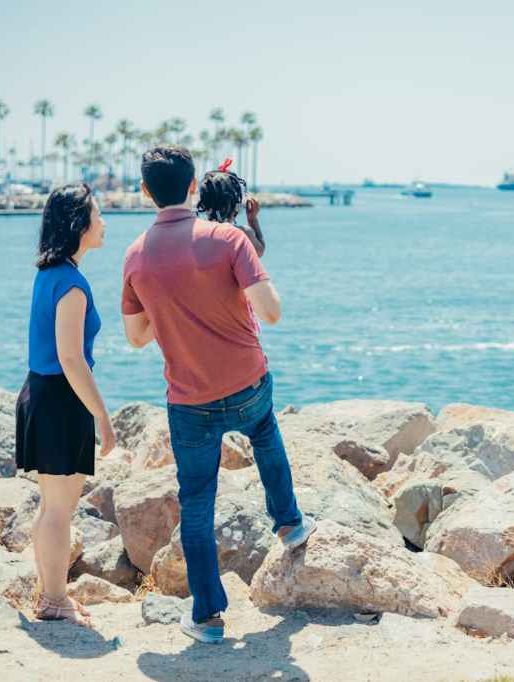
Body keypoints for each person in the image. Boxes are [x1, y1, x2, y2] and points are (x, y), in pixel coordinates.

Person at [121, 146, 315, 645]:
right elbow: (271, 312)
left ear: (145, 192)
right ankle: (289, 523)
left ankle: (207, 616)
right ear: (192, 187)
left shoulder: (136, 255)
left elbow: (137, 337)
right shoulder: (230, 239)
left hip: (189, 400)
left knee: (198, 503)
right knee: (266, 435)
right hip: (247, 383)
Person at [15, 183, 117, 627]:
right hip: (60, 399)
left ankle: (49, 593)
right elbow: (71, 358)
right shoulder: (72, 284)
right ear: (79, 224)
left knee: (50, 505)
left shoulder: (50, 273)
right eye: (98, 214)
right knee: (59, 509)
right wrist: (103, 417)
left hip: (41, 393)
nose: (104, 222)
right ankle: (54, 600)